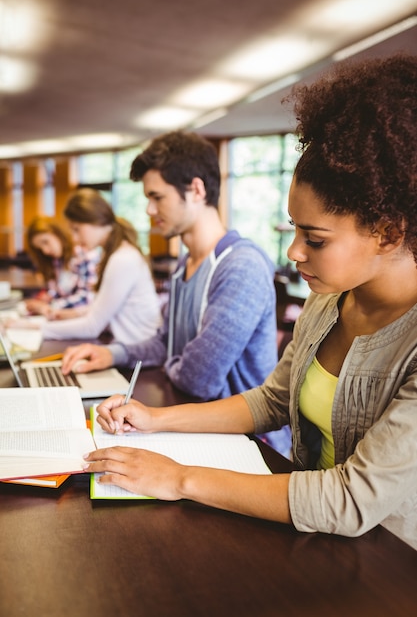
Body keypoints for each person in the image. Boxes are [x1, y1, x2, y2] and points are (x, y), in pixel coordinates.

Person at [82, 54, 417, 550]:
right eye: (293, 228)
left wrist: (179, 479)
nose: (293, 252)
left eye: (315, 239)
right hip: (304, 531)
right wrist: (153, 419)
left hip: (385, 563)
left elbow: (349, 501)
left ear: (389, 233)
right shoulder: (330, 302)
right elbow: (272, 401)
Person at [62, 131, 278, 400]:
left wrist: (173, 365)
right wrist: (112, 354)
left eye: (157, 197)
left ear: (196, 190)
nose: (149, 210)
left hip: (247, 438)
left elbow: (198, 379)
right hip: (194, 417)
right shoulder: (185, 264)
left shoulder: (240, 266)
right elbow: (166, 345)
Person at [40, 188, 161, 343]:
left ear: (95, 220)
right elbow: (105, 307)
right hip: (127, 348)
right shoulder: (115, 253)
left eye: (77, 229)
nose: (75, 239)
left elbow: (91, 327)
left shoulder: (122, 259)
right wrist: (75, 314)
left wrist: (37, 329)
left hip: (138, 355)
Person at [25, 215, 100, 320]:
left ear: (58, 233)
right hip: (64, 320)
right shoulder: (57, 261)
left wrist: (49, 307)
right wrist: (46, 299)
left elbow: (86, 299)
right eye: (40, 248)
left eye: (46, 242)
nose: (45, 251)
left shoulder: (85, 255)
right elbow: (61, 291)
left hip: (84, 322)